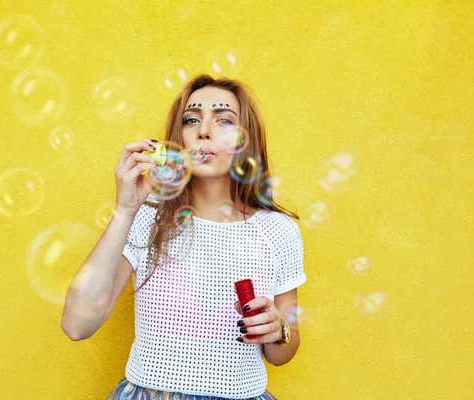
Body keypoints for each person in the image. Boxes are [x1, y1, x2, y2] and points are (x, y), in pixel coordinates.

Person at [61, 74, 307, 400]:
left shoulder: (279, 231)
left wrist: (278, 331)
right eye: (192, 120)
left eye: (224, 120)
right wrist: (125, 211)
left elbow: (282, 354)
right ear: (179, 139)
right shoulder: (148, 216)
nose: (204, 130)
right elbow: (77, 325)